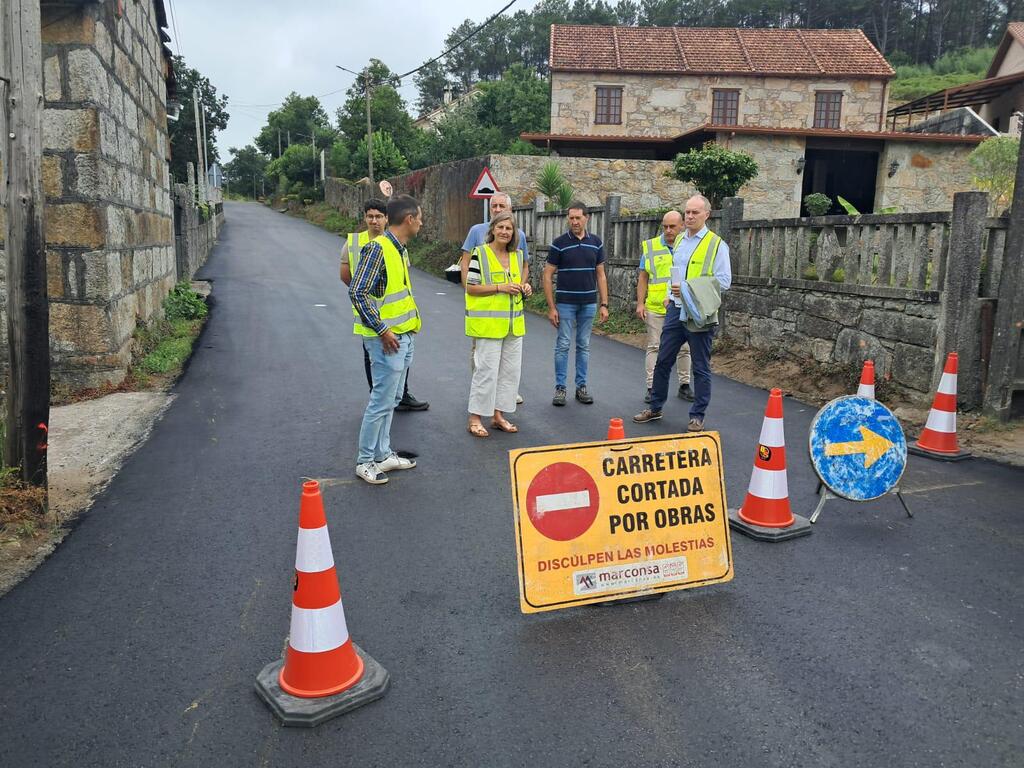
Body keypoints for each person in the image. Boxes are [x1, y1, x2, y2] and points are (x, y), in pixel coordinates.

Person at [633, 195, 731, 432]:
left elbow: (724, 281)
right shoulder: (679, 241)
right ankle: (655, 407)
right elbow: (674, 273)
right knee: (663, 360)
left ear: (707, 215)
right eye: (687, 212)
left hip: (699, 313)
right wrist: (670, 294)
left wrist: (687, 288)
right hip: (676, 309)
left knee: (700, 366)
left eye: (695, 212)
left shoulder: (717, 245)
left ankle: (697, 415)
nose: (689, 216)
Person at [349, 195, 424, 485]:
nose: (421, 223)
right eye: (419, 218)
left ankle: (382, 454)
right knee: (381, 400)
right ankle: (365, 460)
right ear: (409, 219)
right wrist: (383, 330)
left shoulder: (398, 249)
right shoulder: (377, 249)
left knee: (391, 399)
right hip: (386, 340)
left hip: (401, 336)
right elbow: (357, 292)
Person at [341, 198, 429, 412]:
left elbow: (400, 282)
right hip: (375, 322)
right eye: (370, 216)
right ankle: (379, 398)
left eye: (379, 216)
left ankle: (396, 397)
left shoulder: (399, 246)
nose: (374, 220)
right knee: (380, 391)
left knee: (394, 382)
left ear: (387, 218)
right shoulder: (361, 244)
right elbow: (351, 283)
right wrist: (374, 308)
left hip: (397, 324)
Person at [464, 212, 532, 437]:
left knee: (509, 373)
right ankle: (475, 418)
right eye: (500, 227)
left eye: (508, 228)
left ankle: (498, 415)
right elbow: (471, 287)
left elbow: (517, 286)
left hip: (513, 325)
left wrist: (525, 288)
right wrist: (499, 287)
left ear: (514, 233)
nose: (504, 232)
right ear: (492, 229)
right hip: (488, 326)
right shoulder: (480, 253)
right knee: (486, 372)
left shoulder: (517, 256)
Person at [543, 201, 608, 406]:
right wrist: (551, 307)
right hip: (565, 304)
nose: (574, 222)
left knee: (584, 345)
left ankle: (581, 387)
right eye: (571, 218)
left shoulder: (596, 243)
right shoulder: (559, 243)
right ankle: (560, 388)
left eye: (578, 218)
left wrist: (604, 304)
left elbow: (601, 275)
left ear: (586, 218)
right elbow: (547, 275)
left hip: (588, 303)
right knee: (563, 345)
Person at [635, 211, 694, 403]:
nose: (668, 230)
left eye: (672, 227)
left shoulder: (689, 246)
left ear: (682, 226)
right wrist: (640, 303)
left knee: (684, 348)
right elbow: (643, 277)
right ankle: (651, 388)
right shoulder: (651, 247)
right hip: (656, 307)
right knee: (655, 346)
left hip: (680, 306)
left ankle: (684, 385)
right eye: (665, 227)